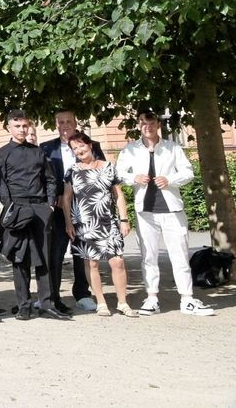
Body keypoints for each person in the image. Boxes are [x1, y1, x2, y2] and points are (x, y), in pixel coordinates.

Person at [116, 110, 214, 316]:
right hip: (145, 211)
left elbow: (188, 172)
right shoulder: (130, 150)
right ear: (138, 126)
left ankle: (187, 299)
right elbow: (118, 173)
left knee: (179, 254)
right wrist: (135, 177)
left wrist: (170, 180)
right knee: (148, 256)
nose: (147, 127)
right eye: (143, 124)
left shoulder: (172, 148)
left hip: (171, 208)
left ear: (158, 124)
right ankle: (152, 298)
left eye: (151, 123)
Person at [0, 110, 68, 321]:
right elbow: (1, 184)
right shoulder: (1, 154)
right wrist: (10, 207)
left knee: (44, 257)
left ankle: (46, 303)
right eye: (17, 126)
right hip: (17, 209)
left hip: (41, 209)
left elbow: (51, 179)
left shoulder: (38, 152)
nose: (22, 130)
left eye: (25, 126)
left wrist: (50, 205)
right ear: (9, 127)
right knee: (20, 259)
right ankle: (23, 305)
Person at [62, 131, 137, 317]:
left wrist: (124, 219)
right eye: (74, 148)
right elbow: (66, 199)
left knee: (117, 261)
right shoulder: (72, 171)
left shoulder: (108, 167)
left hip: (108, 221)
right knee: (92, 264)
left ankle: (122, 302)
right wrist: (68, 223)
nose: (79, 150)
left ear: (90, 145)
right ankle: (101, 302)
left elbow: (118, 195)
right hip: (84, 224)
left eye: (81, 145)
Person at [42, 110, 106, 314]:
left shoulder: (92, 145)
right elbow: (42, 179)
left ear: (76, 122)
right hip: (59, 210)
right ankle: (53, 296)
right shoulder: (46, 149)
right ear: (56, 124)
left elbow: (102, 172)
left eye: (69, 121)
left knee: (83, 254)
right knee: (56, 254)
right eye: (61, 122)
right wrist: (54, 200)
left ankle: (82, 293)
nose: (65, 125)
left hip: (86, 210)